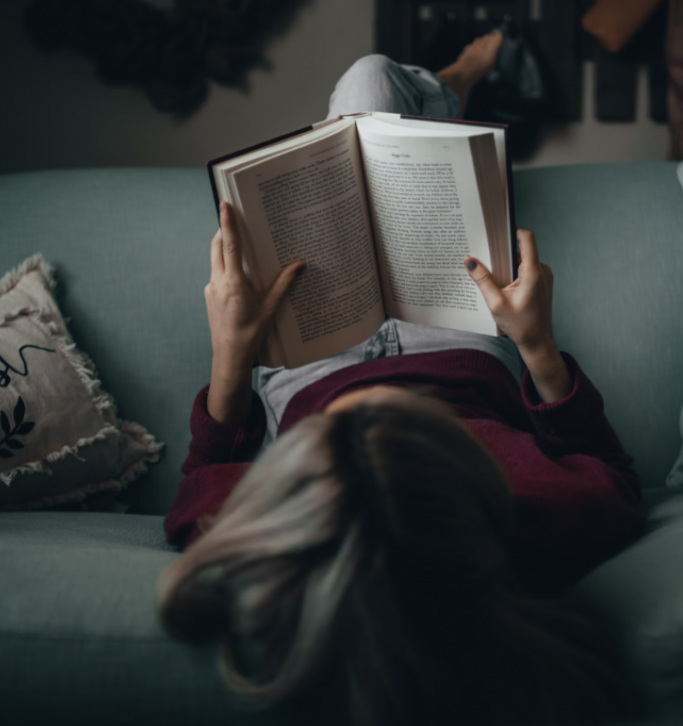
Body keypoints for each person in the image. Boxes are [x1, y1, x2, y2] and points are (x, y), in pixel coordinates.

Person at [156, 32, 644, 726]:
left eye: (346, 438)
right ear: (460, 490)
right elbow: (613, 470)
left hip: (312, 364)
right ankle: (458, 82)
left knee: (363, 100)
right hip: (457, 346)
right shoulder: (537, 519)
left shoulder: (275, 541)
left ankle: (449, 87)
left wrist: (231, 354)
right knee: (375, 92)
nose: (380, 401)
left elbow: (203, 475)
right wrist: (536, 342)